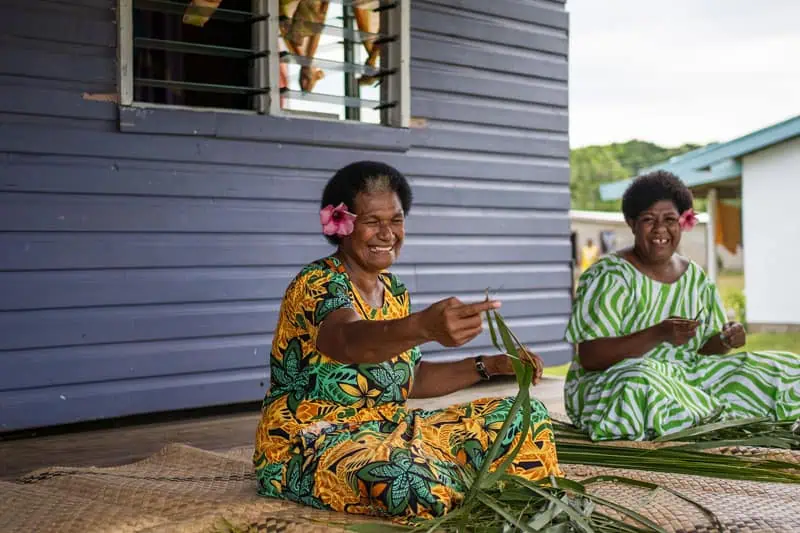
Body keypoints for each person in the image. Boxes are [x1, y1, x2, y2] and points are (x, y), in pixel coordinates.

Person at [254, 161, 562, 521]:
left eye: (396, 220)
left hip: (390, 430)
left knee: (524, 417)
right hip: (312, 442)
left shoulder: (394, 291)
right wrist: (424, 327)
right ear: (343, 225)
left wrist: (489, 366)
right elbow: (349, 341)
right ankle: (459, 481)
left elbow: (409, 377)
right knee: (405, 477)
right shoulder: (317, 283)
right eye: (372, 221)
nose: (387, 234)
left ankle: (458, 481)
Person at [564, 170, 800, 442]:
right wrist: (658, 333)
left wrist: (725, 339)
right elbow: (591, 357)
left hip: (686, 377)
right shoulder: (610, 276)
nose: (660, 230)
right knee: (639, 382)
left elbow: (706, 349)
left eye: (669, 220)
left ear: (682, 223)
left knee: (787, 367)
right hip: (612, 382)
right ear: (632, 223)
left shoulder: (696, 278)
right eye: (648, 220)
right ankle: (724, 419)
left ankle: (712, 416)